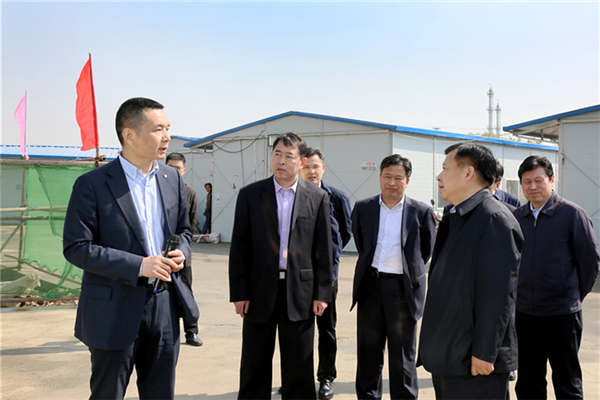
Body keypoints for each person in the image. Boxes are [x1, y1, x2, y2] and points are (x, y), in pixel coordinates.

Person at [63, 97, 199, 400]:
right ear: (129, 135)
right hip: (113, 308)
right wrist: (138, 265)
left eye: (168, 128)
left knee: (160, 393)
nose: (166, 137)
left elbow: (184, 231)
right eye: (158, 129)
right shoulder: (92, 184)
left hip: (164, 304)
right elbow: (77, 247)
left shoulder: (171, 179)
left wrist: (182, 251)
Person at [228, 132, 333, 400]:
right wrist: (239, 292)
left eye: (289, 156)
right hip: (259, 290)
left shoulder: (318, 197)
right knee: (254, 363)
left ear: (302, 161)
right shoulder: (251, 194)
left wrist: (322, 293)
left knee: (299, 364)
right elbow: (239, 247)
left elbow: (324, 249)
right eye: (277, 154)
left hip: (300, 292)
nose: (281, 161)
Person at [419, 143, 523, 399]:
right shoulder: (457, 216)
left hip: (473, 362)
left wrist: (485, 353)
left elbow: (498, 296)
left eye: (445, 169)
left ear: (467, 173)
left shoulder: (493, 219)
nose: (439, 176)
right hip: (450, 353)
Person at [513, 155, 599, 400]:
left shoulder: (572, 214)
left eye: (538, 180)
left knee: (567, 381)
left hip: (562, 315)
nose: (532, 186)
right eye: (527, 181)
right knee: (528, 381)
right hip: (525, 314)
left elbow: (589, 264)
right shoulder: (517, 218)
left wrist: (570, 295)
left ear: (552, 180)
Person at [351, 154, 436, 400]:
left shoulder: (421, 211)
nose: (392, 182)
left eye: (398, 177)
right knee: (368, 351)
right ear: (379, 177)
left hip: (403, 289)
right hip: (370, 286)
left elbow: (426, 250)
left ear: (407, 181)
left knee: (402, 354)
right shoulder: (364, 208)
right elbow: (362, 243)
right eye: (387, 176)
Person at [299, 147, 352, 400]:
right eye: (306, 166)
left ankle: (326, 377)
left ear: (323, 168)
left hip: (326, 276)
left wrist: (330, 255)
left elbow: (346, 231)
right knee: (297, 329)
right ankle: (297, 377)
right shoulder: (293, 195)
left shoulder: (337, 197)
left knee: (326, 328)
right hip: (298, 276)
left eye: (315, 166)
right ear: (300, 168)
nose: (311, 171)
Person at [166, 152, 203, 347]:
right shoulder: (156, 189)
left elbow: (190, 223)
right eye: (170, 167)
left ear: (184, 171)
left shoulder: (190, 193)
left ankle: (191, 332)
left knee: (186, 292)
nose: (174, 171)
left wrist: (181, 249)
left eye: (177, 168)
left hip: (181, 254)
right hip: (159, 254)